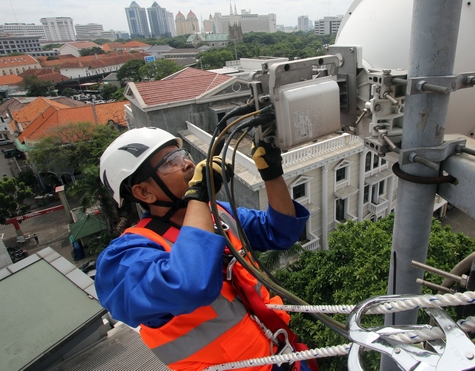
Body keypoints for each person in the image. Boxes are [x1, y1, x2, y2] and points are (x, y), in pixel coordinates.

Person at [95, 127, 313, 371]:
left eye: (183, 155)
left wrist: (271, 172)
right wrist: (197, 197)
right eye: (171, 162)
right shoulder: (123, 259)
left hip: (284, 356)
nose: (187, 164)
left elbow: (281, 231)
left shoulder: (215, 213)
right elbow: (191, 285)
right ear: (144, 192)